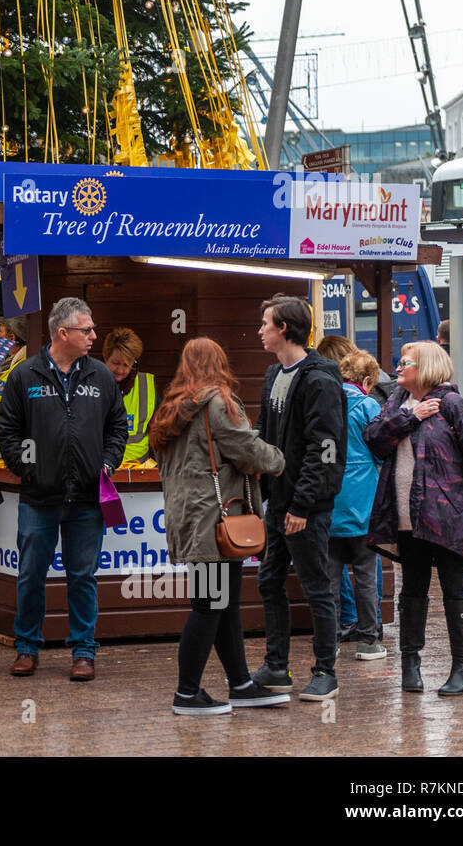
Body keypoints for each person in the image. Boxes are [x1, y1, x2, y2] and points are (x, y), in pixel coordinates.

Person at [150, 337, 288, 715]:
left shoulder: (171, 408)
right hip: (213, 521)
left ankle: (241, 684)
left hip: (191, 520)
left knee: (223, 605)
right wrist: (280, 459)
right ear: (220, 363)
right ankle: (187, 693)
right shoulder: (217, 403)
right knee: (210, 604)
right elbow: (247, 451)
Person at [0, 297, 127, 681]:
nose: (93, 335)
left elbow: (117, 426)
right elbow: (8, 430)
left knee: (82, 576)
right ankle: (26, 648)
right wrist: (27, 467)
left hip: (87, 498)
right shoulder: (25, 376)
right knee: (31, 574)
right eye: (86, 330)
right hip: (39, 498)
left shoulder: (101, 376)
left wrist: (106, 463)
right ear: (62, 332)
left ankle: (83, 652)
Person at [365, 340, 463, 696]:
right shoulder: (396, 402)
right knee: (412, 590)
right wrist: (412, 417)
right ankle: (410, 666)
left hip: (450, 518)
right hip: (408, 519)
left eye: (405, 363)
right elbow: (374, 440)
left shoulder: (454, 405)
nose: (398, 368)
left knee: (455, 590)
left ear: (425, 367)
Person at [252, 295, 347, 701]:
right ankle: (277, 666)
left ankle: (327, 671)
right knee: (269, 580)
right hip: (277, 503)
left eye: (265, 323)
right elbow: (266, 429)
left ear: (284, 329)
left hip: (305, 507)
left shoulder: (320, 379)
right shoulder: (274, 374)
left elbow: (324, 449)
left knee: (316, 586)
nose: (260, 330)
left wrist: (302, 506)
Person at [328, 349, 386, 660]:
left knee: (329, 576)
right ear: (365, 380)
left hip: (328, 502)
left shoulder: (325, 403)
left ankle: (330, 640)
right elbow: (380, 450)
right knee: (365, 573)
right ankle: (369, 642)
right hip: (363, 503)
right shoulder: (368, 405)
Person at [103, 326, 156, 465]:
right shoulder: (91, 386)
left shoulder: (147, 385)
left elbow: (160, 431)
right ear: (105, 357)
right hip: (102, 471)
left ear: (134, 363)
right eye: (115, 363)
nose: (120, 370)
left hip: (139, 473)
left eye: (126, 365)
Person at [0, 316, 28, 452]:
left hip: (9, 452)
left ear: (11, 338)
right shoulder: (5, 366)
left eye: (0, 331)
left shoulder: (23, 368)